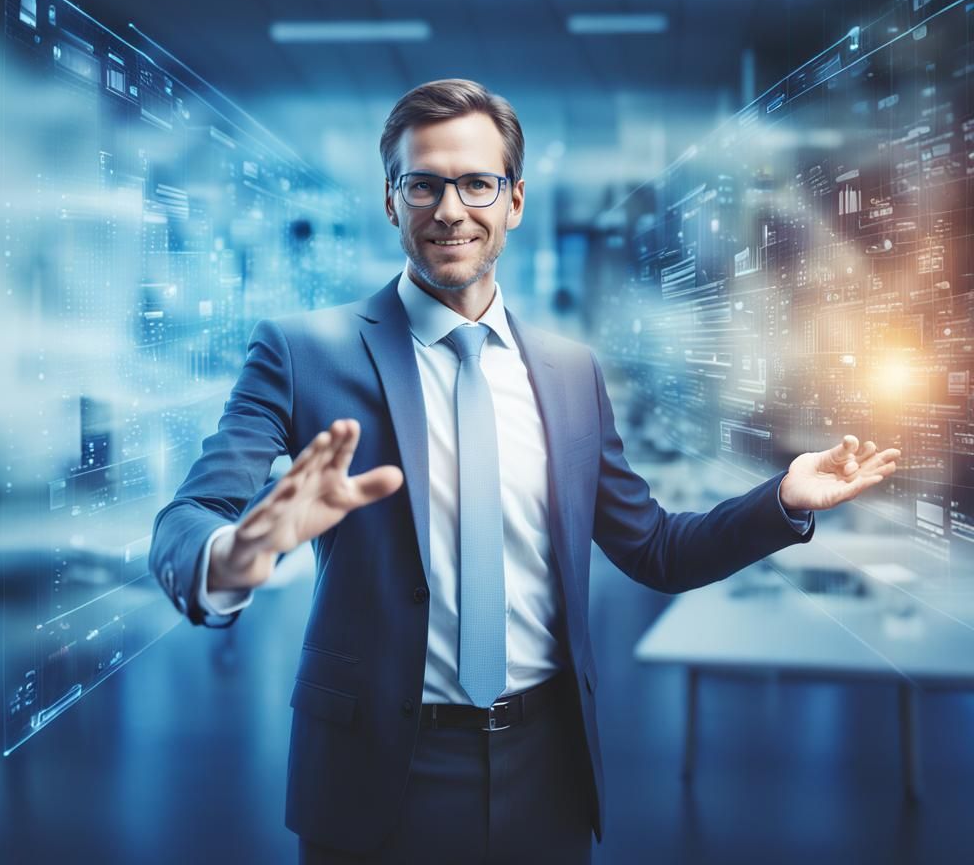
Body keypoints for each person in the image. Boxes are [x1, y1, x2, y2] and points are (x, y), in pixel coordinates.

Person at [149, 79, 900, 864]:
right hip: (374, 774)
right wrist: (233, 557)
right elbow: (189, 515)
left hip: (546, 774)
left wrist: (783, 500)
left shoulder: (570, 373)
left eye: (477, 183)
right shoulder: (306, 352)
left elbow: (657, 549)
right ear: (390, 199)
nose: (450, 209)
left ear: (512, 201)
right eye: (424, 183)